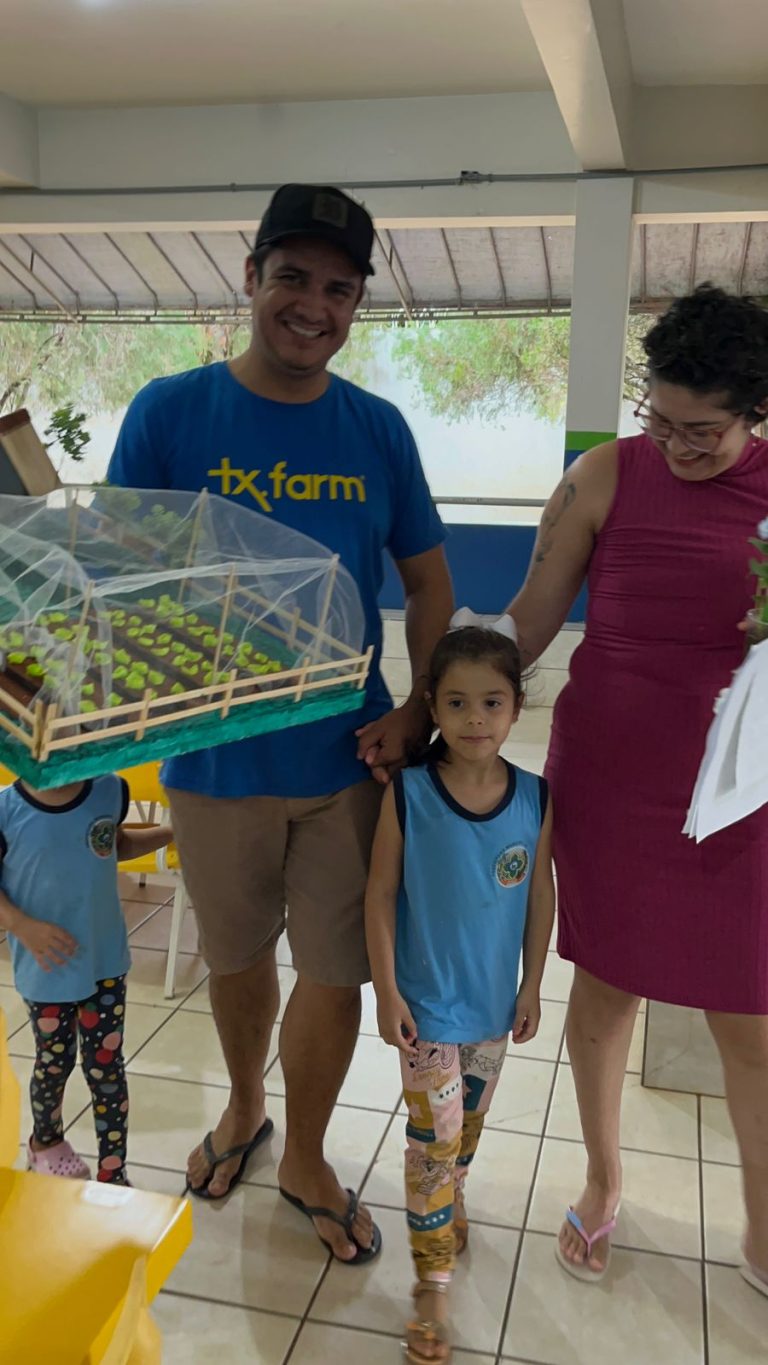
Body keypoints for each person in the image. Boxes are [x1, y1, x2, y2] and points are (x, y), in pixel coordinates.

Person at [107, 184, 453, 1261]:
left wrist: (416, 707)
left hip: (347, 759)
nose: (313, 305)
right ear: (251, 276)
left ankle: (305, 1152)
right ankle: (244, 1106)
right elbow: (120, 573)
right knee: (237, 958)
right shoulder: (169, 413)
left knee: (338, 969)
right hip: (214, 762)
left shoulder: (377, 429)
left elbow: (430, 584)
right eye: (292, 277)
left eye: (339, 289)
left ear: (357, 305)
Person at [506, 285, 768, 1294]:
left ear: (754, 412)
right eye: (661, 420)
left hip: (741, 792)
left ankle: (762, 1224)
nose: (678, 446)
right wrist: (448, 699)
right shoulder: (603, 476)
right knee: (607, 988)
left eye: (703, 431)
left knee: (749, 1015)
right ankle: (604, 1178)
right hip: (613, 779)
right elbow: (529, 619)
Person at [366, 621, 554, 1361]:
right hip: (427, 1012)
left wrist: (532, 983)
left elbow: (539, 894)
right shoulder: (410, 794)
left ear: (516, 708)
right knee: (432, 1147)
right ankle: (432, 1284)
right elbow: (380, 895)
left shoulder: (535, 797)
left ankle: (454, 1196)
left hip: (492, 1009)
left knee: (465, 1131)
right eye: (457, 703)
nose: (476, 719)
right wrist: (387, 991)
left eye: (492, 703)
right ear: (433, 708)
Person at [0, 772, 171, 1183]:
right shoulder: (6, 810)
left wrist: (172, 832)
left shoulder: (109, 790)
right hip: (47, 968)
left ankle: (114, 1170)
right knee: (53, 1062)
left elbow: (117, 844)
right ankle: (45, 1143)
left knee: (106, 1067)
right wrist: (21, 925)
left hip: (104, 962)